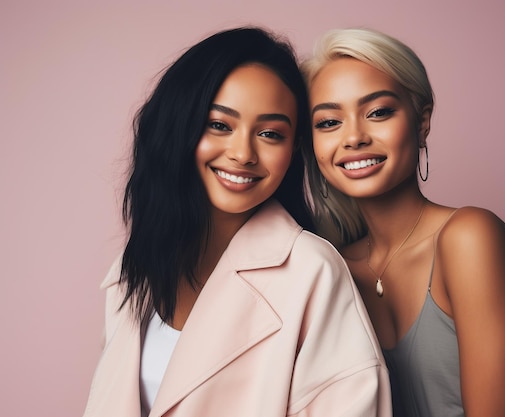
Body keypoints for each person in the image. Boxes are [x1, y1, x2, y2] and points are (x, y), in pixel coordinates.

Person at [83, 27, 392, 417]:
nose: (243, 153)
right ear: (179, 126)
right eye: (220, 125)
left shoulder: (312, 272)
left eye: (269, 133)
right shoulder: (133, 272)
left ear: (293, 149)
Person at [302, 28, 505, 417]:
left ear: (422, 121)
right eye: (329, 122)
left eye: (378, 112)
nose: (354, 137)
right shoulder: (330, 267)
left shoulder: (470, 238)